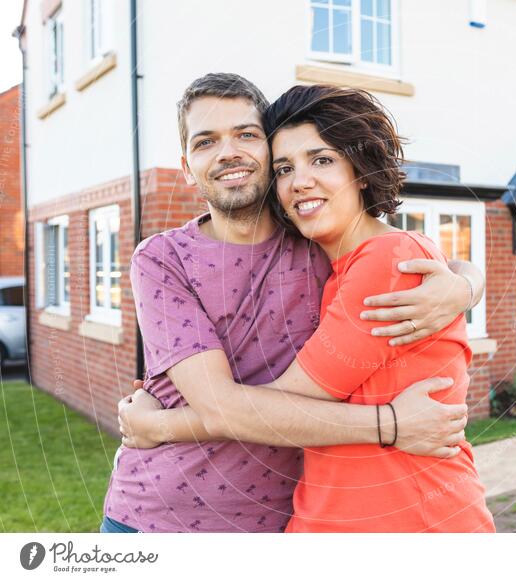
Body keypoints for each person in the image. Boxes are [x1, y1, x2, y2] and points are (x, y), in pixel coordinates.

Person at [104, 73, 486, 533]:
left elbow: (398, 254)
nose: (229, 153)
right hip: (160, 518)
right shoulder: (164, 259)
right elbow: (221, 406)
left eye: (246, 134)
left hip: (283, 518)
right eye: (207, 141)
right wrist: (391, 423)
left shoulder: (315, 244)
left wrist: (464, 285)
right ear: (187, 166)